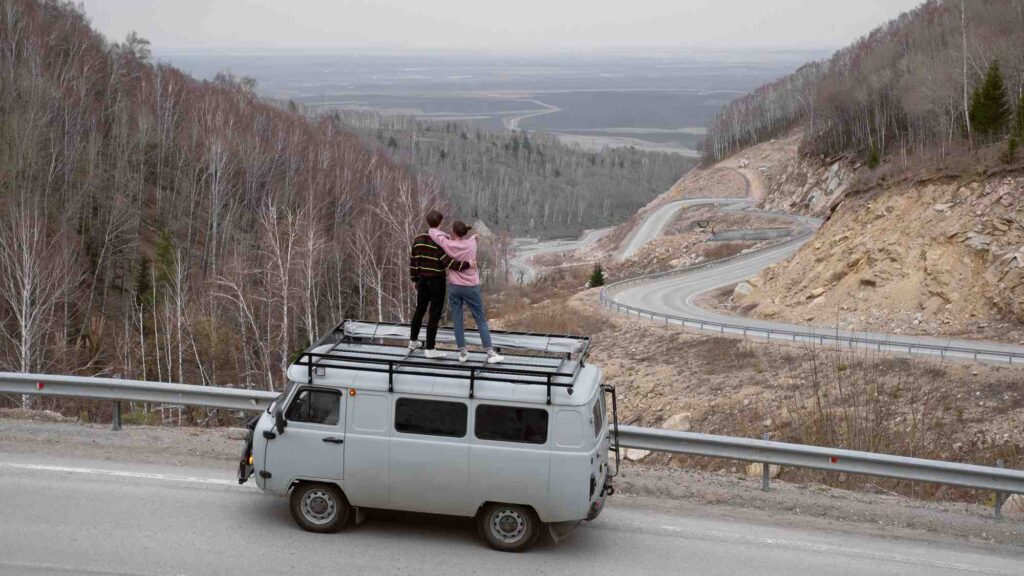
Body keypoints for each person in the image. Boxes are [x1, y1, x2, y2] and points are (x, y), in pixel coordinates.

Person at [428, 220, 504, 364]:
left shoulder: (447, 244)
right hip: (470, 287)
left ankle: (462, 353)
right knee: (480, 320)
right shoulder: (472, 244)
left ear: (453, 232)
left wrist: (446, 235)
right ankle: (490, 352)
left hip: (454, 287)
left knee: (457, 320)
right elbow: (471, 240)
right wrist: (472, 237)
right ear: (465, 232)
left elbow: (433, 232)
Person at [408, 210, 473, 359]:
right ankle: (430, 348)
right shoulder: (439, 241)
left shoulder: (418, 239)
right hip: (437, 281)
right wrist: (467, 264)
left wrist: (415, 280)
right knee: (434, 314)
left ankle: (413, 341)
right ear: (440, 223)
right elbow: (448, 262)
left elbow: (413, 261)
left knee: (420, 310)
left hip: (422, 281)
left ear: (427, 221)